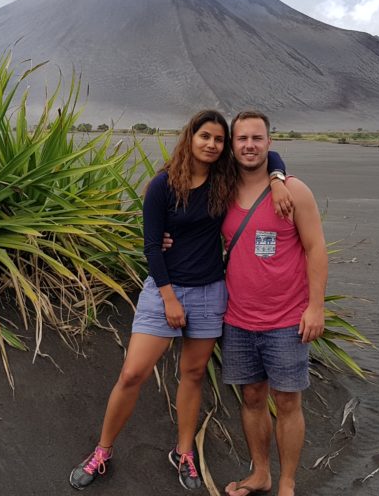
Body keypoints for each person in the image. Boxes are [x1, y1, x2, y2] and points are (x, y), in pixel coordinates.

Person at [69, 110, 292, 491]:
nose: (212, 144)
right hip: (164, 290)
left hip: (210, 292)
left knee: (192, 375)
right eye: (205, 136)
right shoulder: (163, 185)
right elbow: (153, 247)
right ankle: (102, 451)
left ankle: (184, 452)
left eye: (219, 140)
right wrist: (170, 298)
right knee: (132, 373)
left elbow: (267, 153)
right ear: (190, 137)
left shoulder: (226, 179)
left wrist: (278, 179)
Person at [221, 111, 327, 496]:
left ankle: (287, 483)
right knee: (251, 398)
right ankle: (261, 473)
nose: (249, 145)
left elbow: (316, 249)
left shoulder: (295, 190)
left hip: (286, 319)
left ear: (269, 142)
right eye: (242, 139)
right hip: (238, 319)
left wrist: (315, 308)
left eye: (257, 138)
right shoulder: (224, 189)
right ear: (232, 145)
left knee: (286, 400)